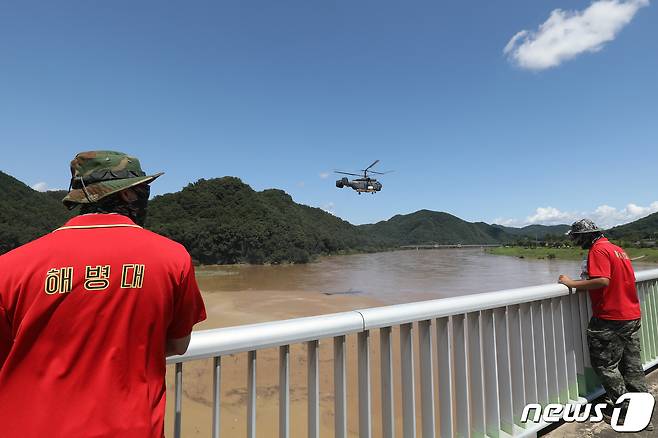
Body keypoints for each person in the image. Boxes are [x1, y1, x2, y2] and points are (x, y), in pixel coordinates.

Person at [0, 151, 207, 437]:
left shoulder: (9, 266)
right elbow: (177, 344)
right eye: (143, 189)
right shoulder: (172, 259)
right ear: (127, 196)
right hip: (131, 427)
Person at [558, 218, 653, 429]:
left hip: (611, 317)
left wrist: (571, 283)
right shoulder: (617, 249)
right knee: (632, 366)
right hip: (630, 314)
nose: (575, 241)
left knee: (605, 366)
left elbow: (602, 280)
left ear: (585, 235)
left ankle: (627, 412)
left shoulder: (597, 251)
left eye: (576, 237)